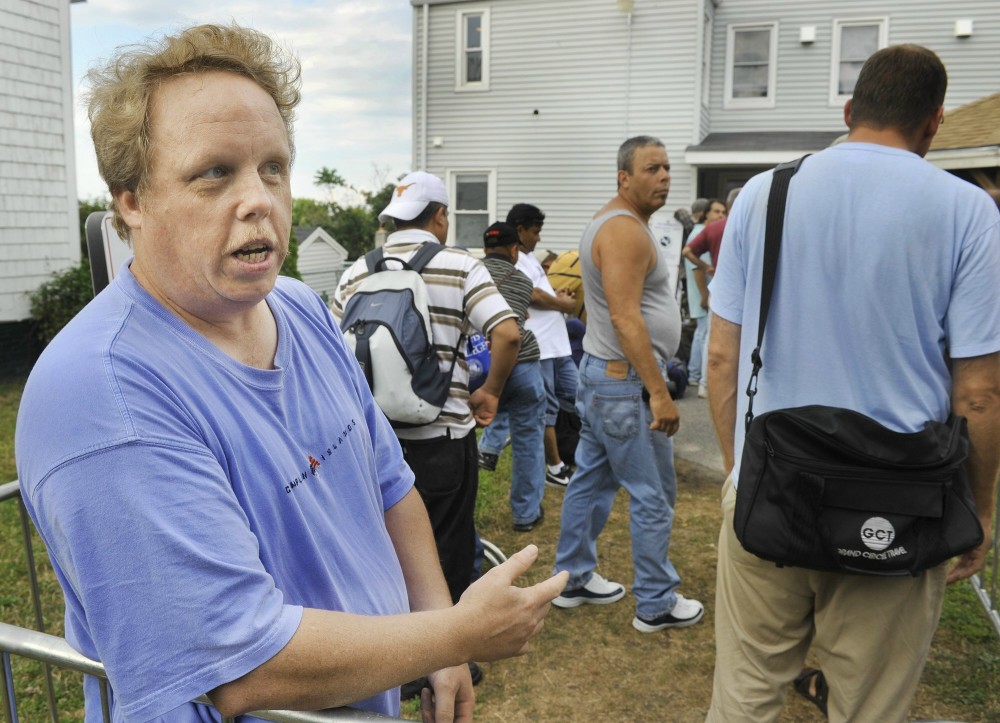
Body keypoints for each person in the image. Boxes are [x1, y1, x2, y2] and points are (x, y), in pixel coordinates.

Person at [15, 24, 567, 723]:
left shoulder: (300, 307)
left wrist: (436, 632)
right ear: (131, 198)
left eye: (273, 167)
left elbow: (388, 481)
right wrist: (456, 630)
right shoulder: (101, 391)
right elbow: (240, 668)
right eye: (215, 172)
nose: (260, 200)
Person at [705, 44, 1000, 722]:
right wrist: (980, 511)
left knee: (744, 696)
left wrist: (736, 471)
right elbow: (980, 391)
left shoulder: (762, 195)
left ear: (848, 112)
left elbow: (721, 358)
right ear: (934, 123)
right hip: (903, 500)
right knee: (869, 704)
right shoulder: (968, 210)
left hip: (771, 484)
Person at [333, 171, 523, 597]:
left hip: (373, 441)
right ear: (440, 216)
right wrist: (490, 391)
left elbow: (330, 354)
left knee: (386, 550)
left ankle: (398, 648)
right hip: (443, 439)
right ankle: (448, 656)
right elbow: (507, 333)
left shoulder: (355, 273)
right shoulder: (460, 266)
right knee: (446, 551)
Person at [551, 135, 704, 633]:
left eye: (666, 169)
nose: (663, 177)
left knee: (591, 481)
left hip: (604, 380)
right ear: (624, 177)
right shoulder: (623, 232)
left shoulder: (622, 224)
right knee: (653, 491)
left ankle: (572, 578)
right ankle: (656, 603)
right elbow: (624, 317)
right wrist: (659, 391)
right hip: (624, 384)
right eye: (651, 169)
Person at [479, 204, 579, 489]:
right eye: (535, 232)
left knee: (572, 399)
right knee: (539, 413)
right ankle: (554, 467)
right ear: (519, 232)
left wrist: (555, 295)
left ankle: (576, 456)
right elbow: (530, 294)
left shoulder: (529, 258)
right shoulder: (514, 258)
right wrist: (560, 303)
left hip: (556, 345)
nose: (538, 238)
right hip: (538, 347)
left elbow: (538, 291)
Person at [480, 222, 548, 531]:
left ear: (484, 249)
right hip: (521, 365)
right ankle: (525, 514)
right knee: (528, 441)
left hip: (480, 368)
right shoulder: (521, 280)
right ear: (514, 250)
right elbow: (518, 315)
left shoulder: (468, 275)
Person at [684, 199, 726, 397]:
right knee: (704, 335)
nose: (720, 215)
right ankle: (698, 377)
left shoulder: (706, 231)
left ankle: (696, 376)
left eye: (722, 211)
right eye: (716, 211)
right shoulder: (703, 232)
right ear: (705, 213)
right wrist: (704, 293)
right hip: (705, 292)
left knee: (702, 334)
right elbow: (696, 269)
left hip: (706, 292)